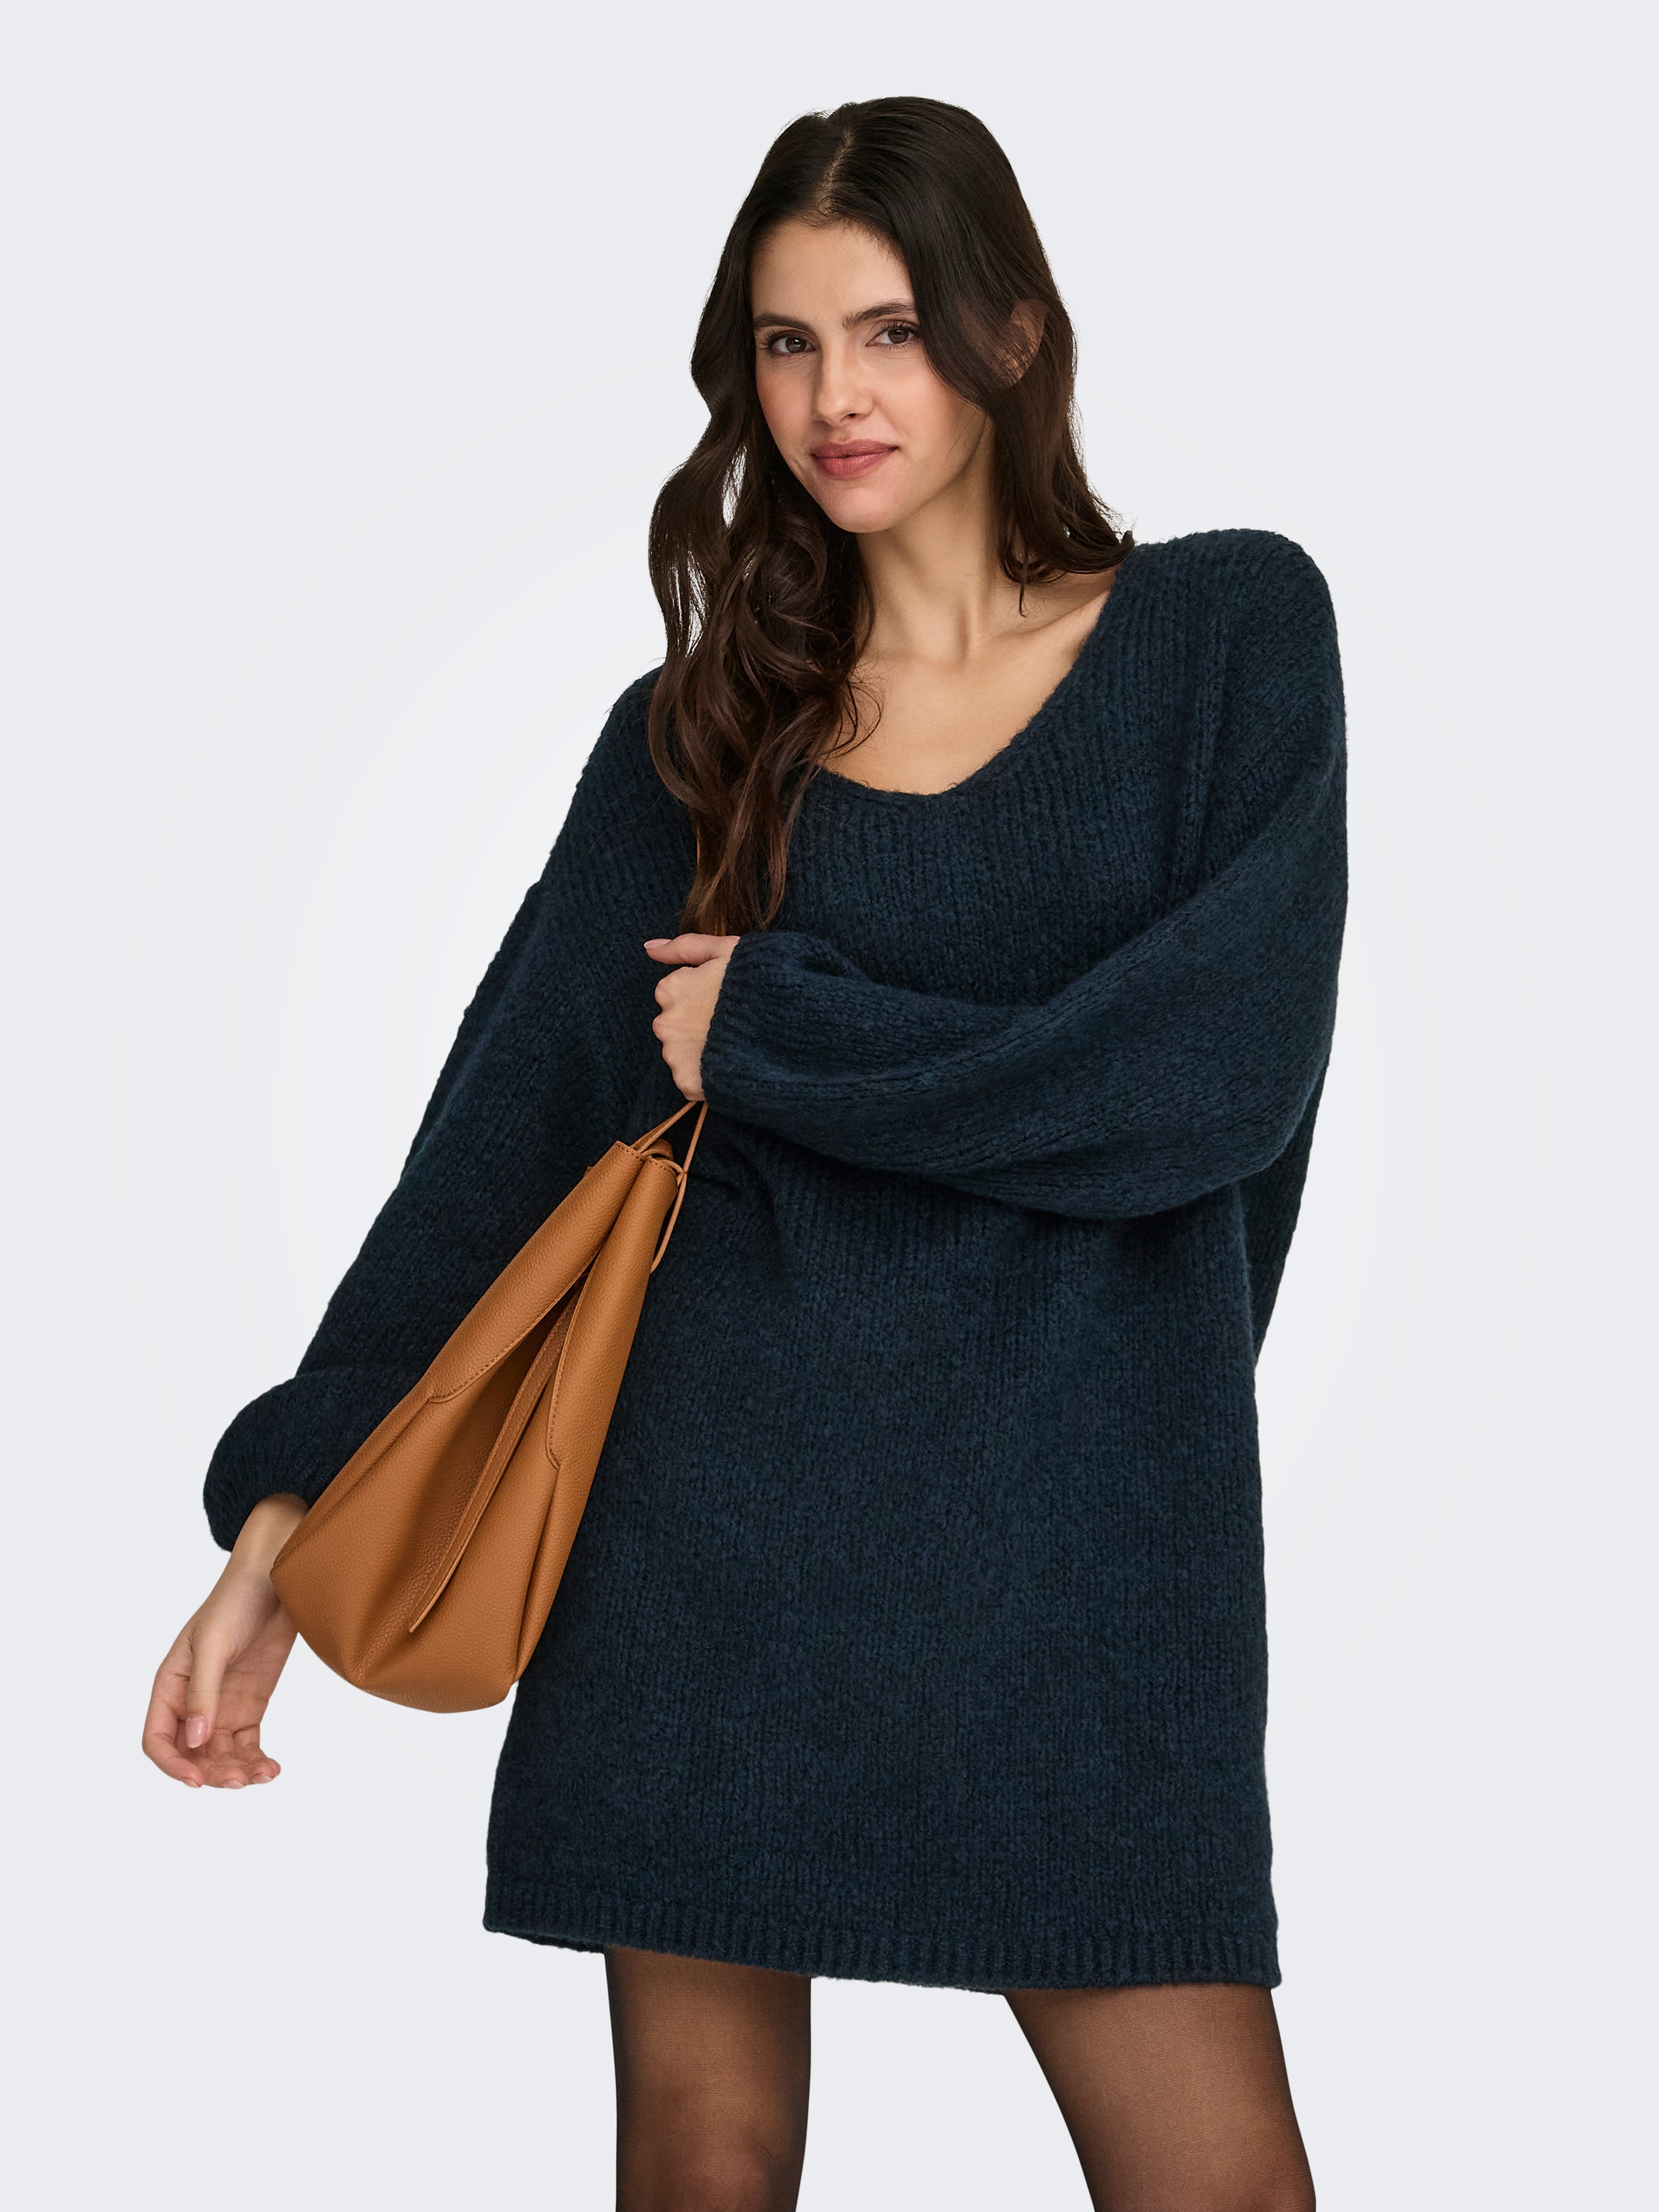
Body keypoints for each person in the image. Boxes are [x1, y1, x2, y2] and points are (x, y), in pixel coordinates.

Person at [143, 96, 1344, 2212]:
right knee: (704, 2165)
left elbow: (1208, 1081)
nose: (835, 397)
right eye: (788, 344)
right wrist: (284, 1513)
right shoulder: (695, 732)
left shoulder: (1227, 634)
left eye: (889, 331)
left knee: (1219, 2180)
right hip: (710, 1549)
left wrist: (781, 1031)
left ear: (1013, 332)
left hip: (1084, 1561)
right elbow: (505, 1145)